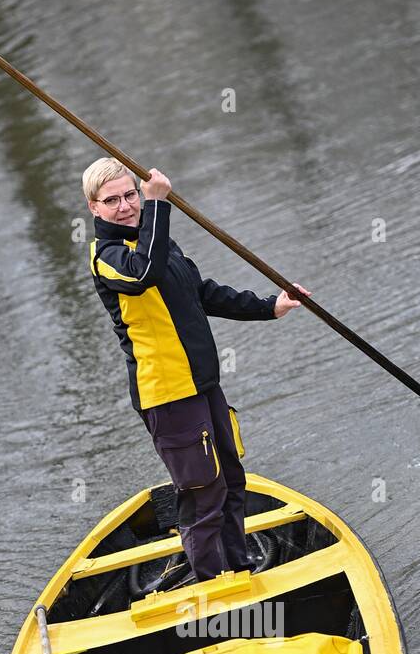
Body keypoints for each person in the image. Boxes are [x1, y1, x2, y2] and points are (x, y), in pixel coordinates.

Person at [83, 157, 309, 581]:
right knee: (203, 495)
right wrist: (157, 205)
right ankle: (212, 587)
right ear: (94, 209)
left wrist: (269, 307)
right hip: (168, 395)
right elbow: (142, 275)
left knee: (232, 481)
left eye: (131, 194)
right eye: (111, 200)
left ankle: (239, 570)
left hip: (204, 385)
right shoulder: (107, 257)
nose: (126, 205)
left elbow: (201, 293)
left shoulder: (160, 242)